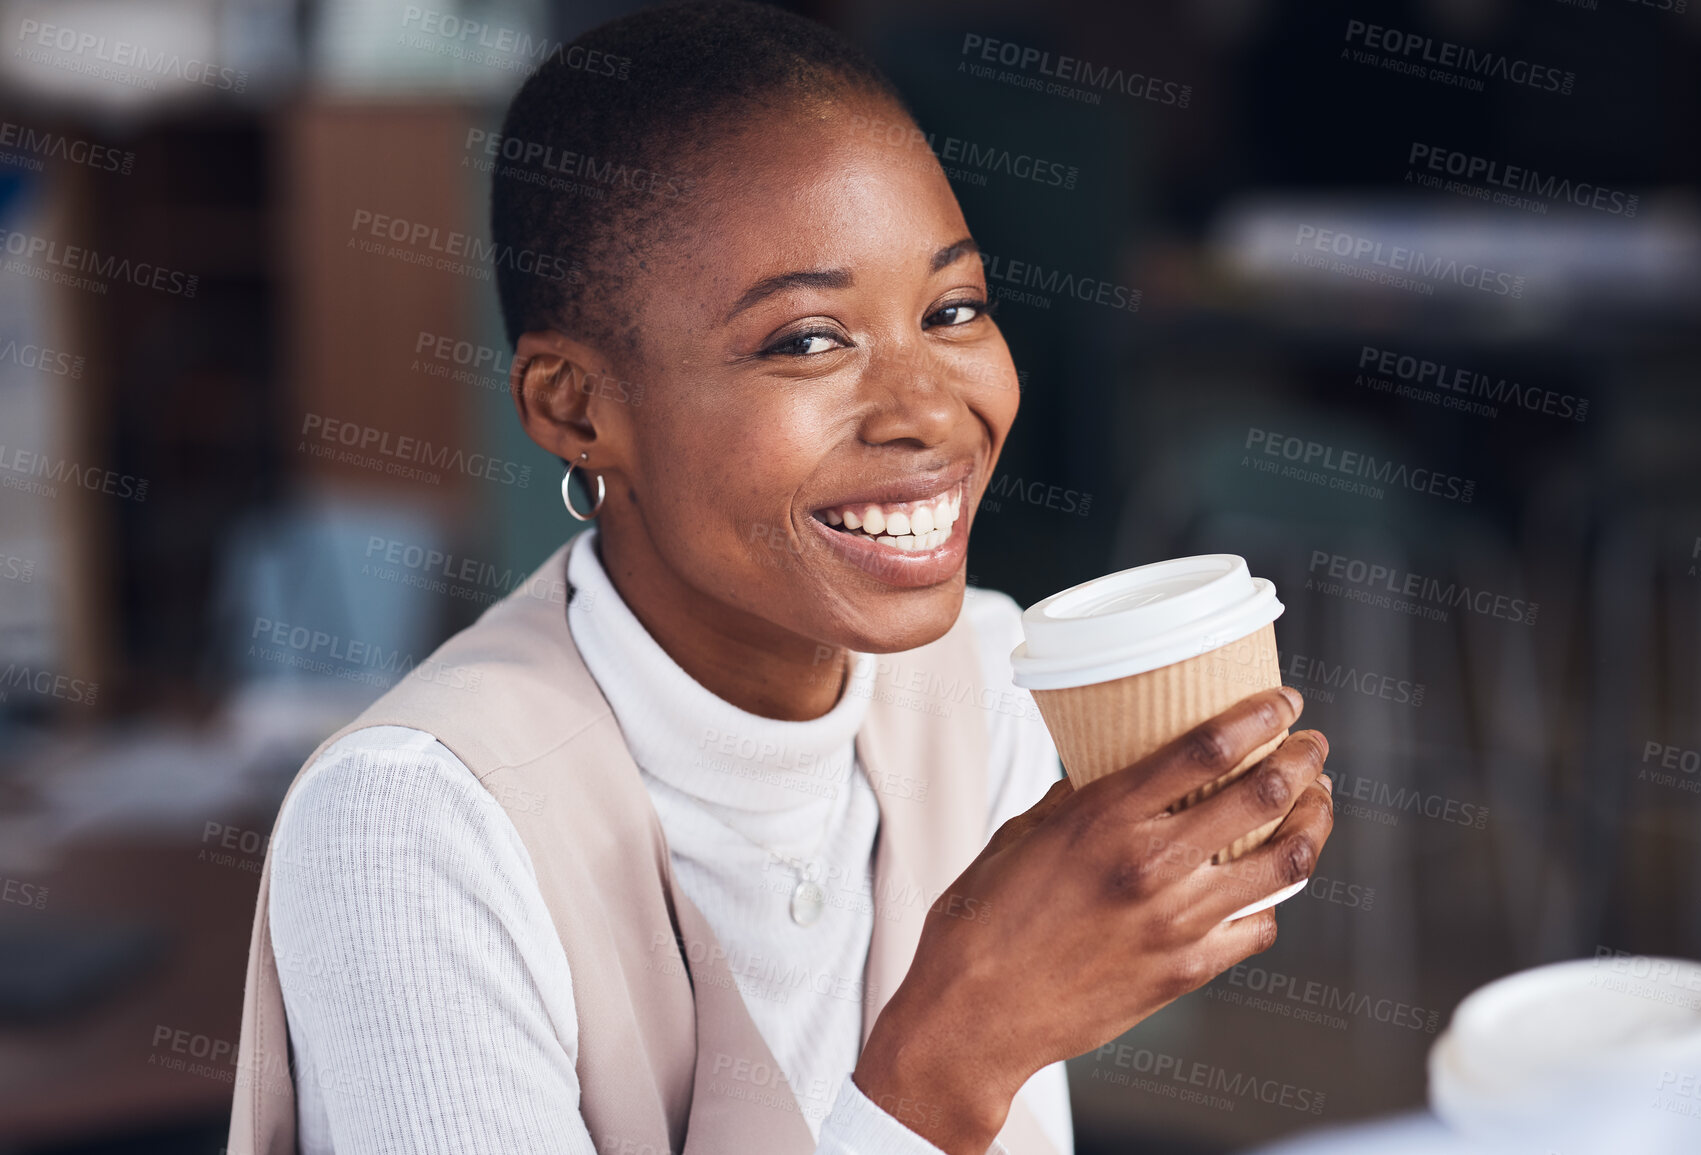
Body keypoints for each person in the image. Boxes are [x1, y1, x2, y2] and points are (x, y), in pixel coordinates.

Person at [227, 3, 1336, 1153]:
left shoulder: (981, 683)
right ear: (573, 406)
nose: (928, 412)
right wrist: (955, 1056)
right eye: (806, 340)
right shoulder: (416, 824)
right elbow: (957, 1087)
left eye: (953, 311)